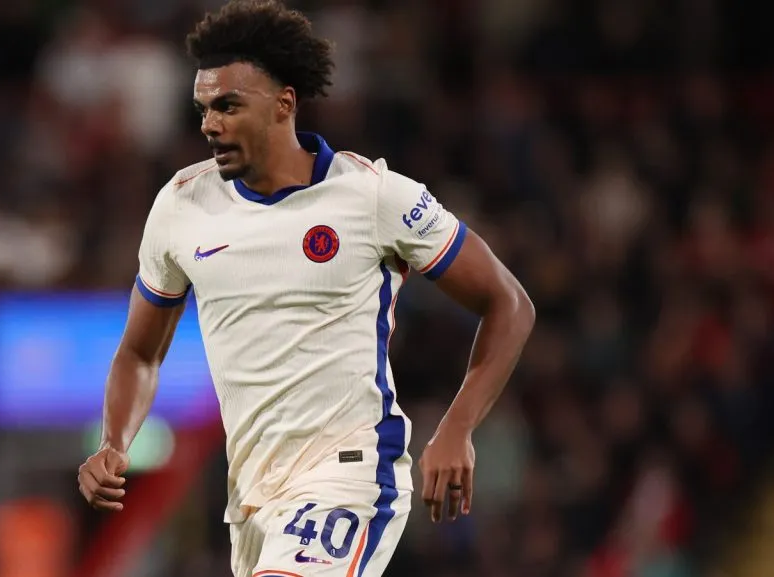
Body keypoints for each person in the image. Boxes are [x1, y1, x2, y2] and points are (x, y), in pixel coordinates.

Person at [77, 1, 536, 575]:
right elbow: (140, 353)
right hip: (250, 496)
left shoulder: (372, 195)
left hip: (349, 472)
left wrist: (457, 427)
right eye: (203, 109)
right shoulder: (181, 206)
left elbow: (508, 304)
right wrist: (115, 442)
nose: (209, 124)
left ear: (284, 104)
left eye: (228, 105)